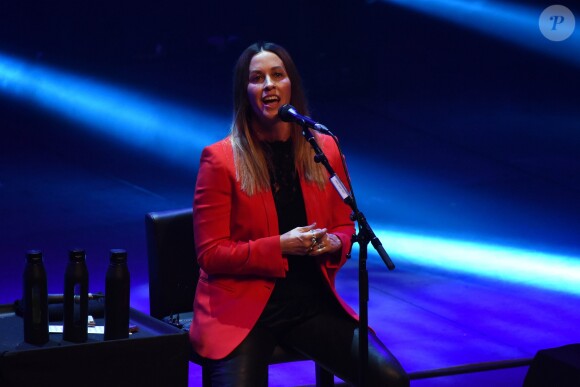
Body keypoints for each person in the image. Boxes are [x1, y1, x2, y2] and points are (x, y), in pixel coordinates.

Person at [190, 41, 409, 386]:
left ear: (291, 84)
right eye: (257, 78)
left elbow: (343, 224)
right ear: (244, 93)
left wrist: (332, 243)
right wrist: (280, 246)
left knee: (390, 378)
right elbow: (211, 254)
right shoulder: (220, 160)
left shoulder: (322, 147)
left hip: (310, 305)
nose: (269, 85)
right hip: (243, 313)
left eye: (278, 75)